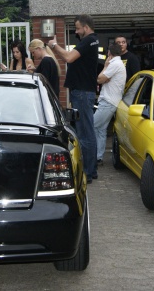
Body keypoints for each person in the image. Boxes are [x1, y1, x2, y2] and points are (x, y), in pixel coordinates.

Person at [48, 14, 99, 182]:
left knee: (85, 133)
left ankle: (87, 172)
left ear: (86, 27)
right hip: (84, 92)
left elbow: (69, 57)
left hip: (83, 93)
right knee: (87, 131)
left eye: (77, 28)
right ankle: (91, 170)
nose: (76, 31)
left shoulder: (88, 41)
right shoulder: (91, 42)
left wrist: (54, 45)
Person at [94, 42, 126, 164]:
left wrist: (105, 66)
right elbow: (104, 79)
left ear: (109, 53)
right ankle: (99, 157)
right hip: (112, 101)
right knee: (101, 130)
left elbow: (99, 79)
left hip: (108, 101)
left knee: (92, 126)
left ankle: (91, 155)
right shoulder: (119, 63)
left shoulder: (114, 64)